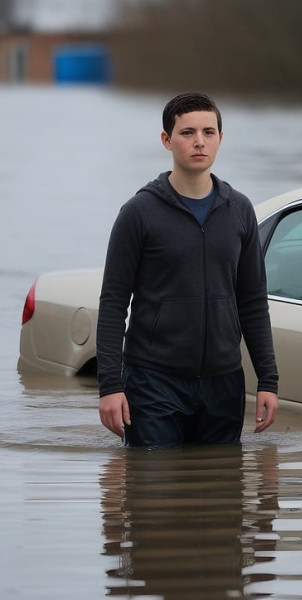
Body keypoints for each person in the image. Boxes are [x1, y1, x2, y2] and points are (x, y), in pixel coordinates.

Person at [97, 92, 278, 448]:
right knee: (153, 494)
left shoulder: (239, 210)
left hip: (223, 382)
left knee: (221, 493)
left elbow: (253, 302)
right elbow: (114, 303)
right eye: (187, 132)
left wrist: (267, 381)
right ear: (167, 140)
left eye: (209, 132)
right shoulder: (139, 213)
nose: (199, 141)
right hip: (153, 381)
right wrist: (110, 387)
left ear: (220, 139)